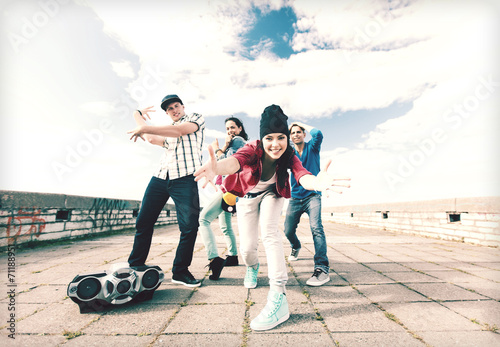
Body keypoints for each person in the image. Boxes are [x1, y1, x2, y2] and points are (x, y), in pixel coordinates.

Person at [194, 105, 350, 331]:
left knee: (270, 233)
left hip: (273, 194)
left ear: (286, 138)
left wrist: (316, 183)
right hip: (249, 195)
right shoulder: (251, 149)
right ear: (262, 138)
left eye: (280, 137)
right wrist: (218, 167)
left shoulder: (289, 154)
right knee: (247, 249)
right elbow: (235, 161)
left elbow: (301, 174)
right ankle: (252, 267)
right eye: (269, 138)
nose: (275, 144)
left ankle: (279, 295)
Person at [127, 94, 204, 288]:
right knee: (144, 221)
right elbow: (151, 138)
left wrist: (144, 126)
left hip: (185, 178)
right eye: (170, 109)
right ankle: (135, 264)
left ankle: (180, 271)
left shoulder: (195, 118)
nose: (174, 110)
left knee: (189, 226)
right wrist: (137, 115)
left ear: (183, 106)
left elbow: (179, 131)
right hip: (161, 177)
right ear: (167, 113)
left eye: (177, 106)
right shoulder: (167, 135)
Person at [199, 117, 249, 280]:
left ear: (240, 129)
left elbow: (233, 163)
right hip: (226, 188)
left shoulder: (238, 141)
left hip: (230, 187)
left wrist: (220, 149)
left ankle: (214, 259)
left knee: (204, 219)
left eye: (233, 127)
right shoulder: (234, 142)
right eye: (227, 129)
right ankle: (233, 256)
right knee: (225, 226)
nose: (230, 131)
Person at [284, 122, 330, 286]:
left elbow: (318, 133)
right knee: (288, 230)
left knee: (316, 228)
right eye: (293, 133)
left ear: (304, 134)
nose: (295, 134)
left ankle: (322, 268)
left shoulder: (313, 147)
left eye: (298, 132)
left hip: (313, 196)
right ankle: (295, 246)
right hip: (295, 197)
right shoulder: (290, 153)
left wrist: (299, 123)